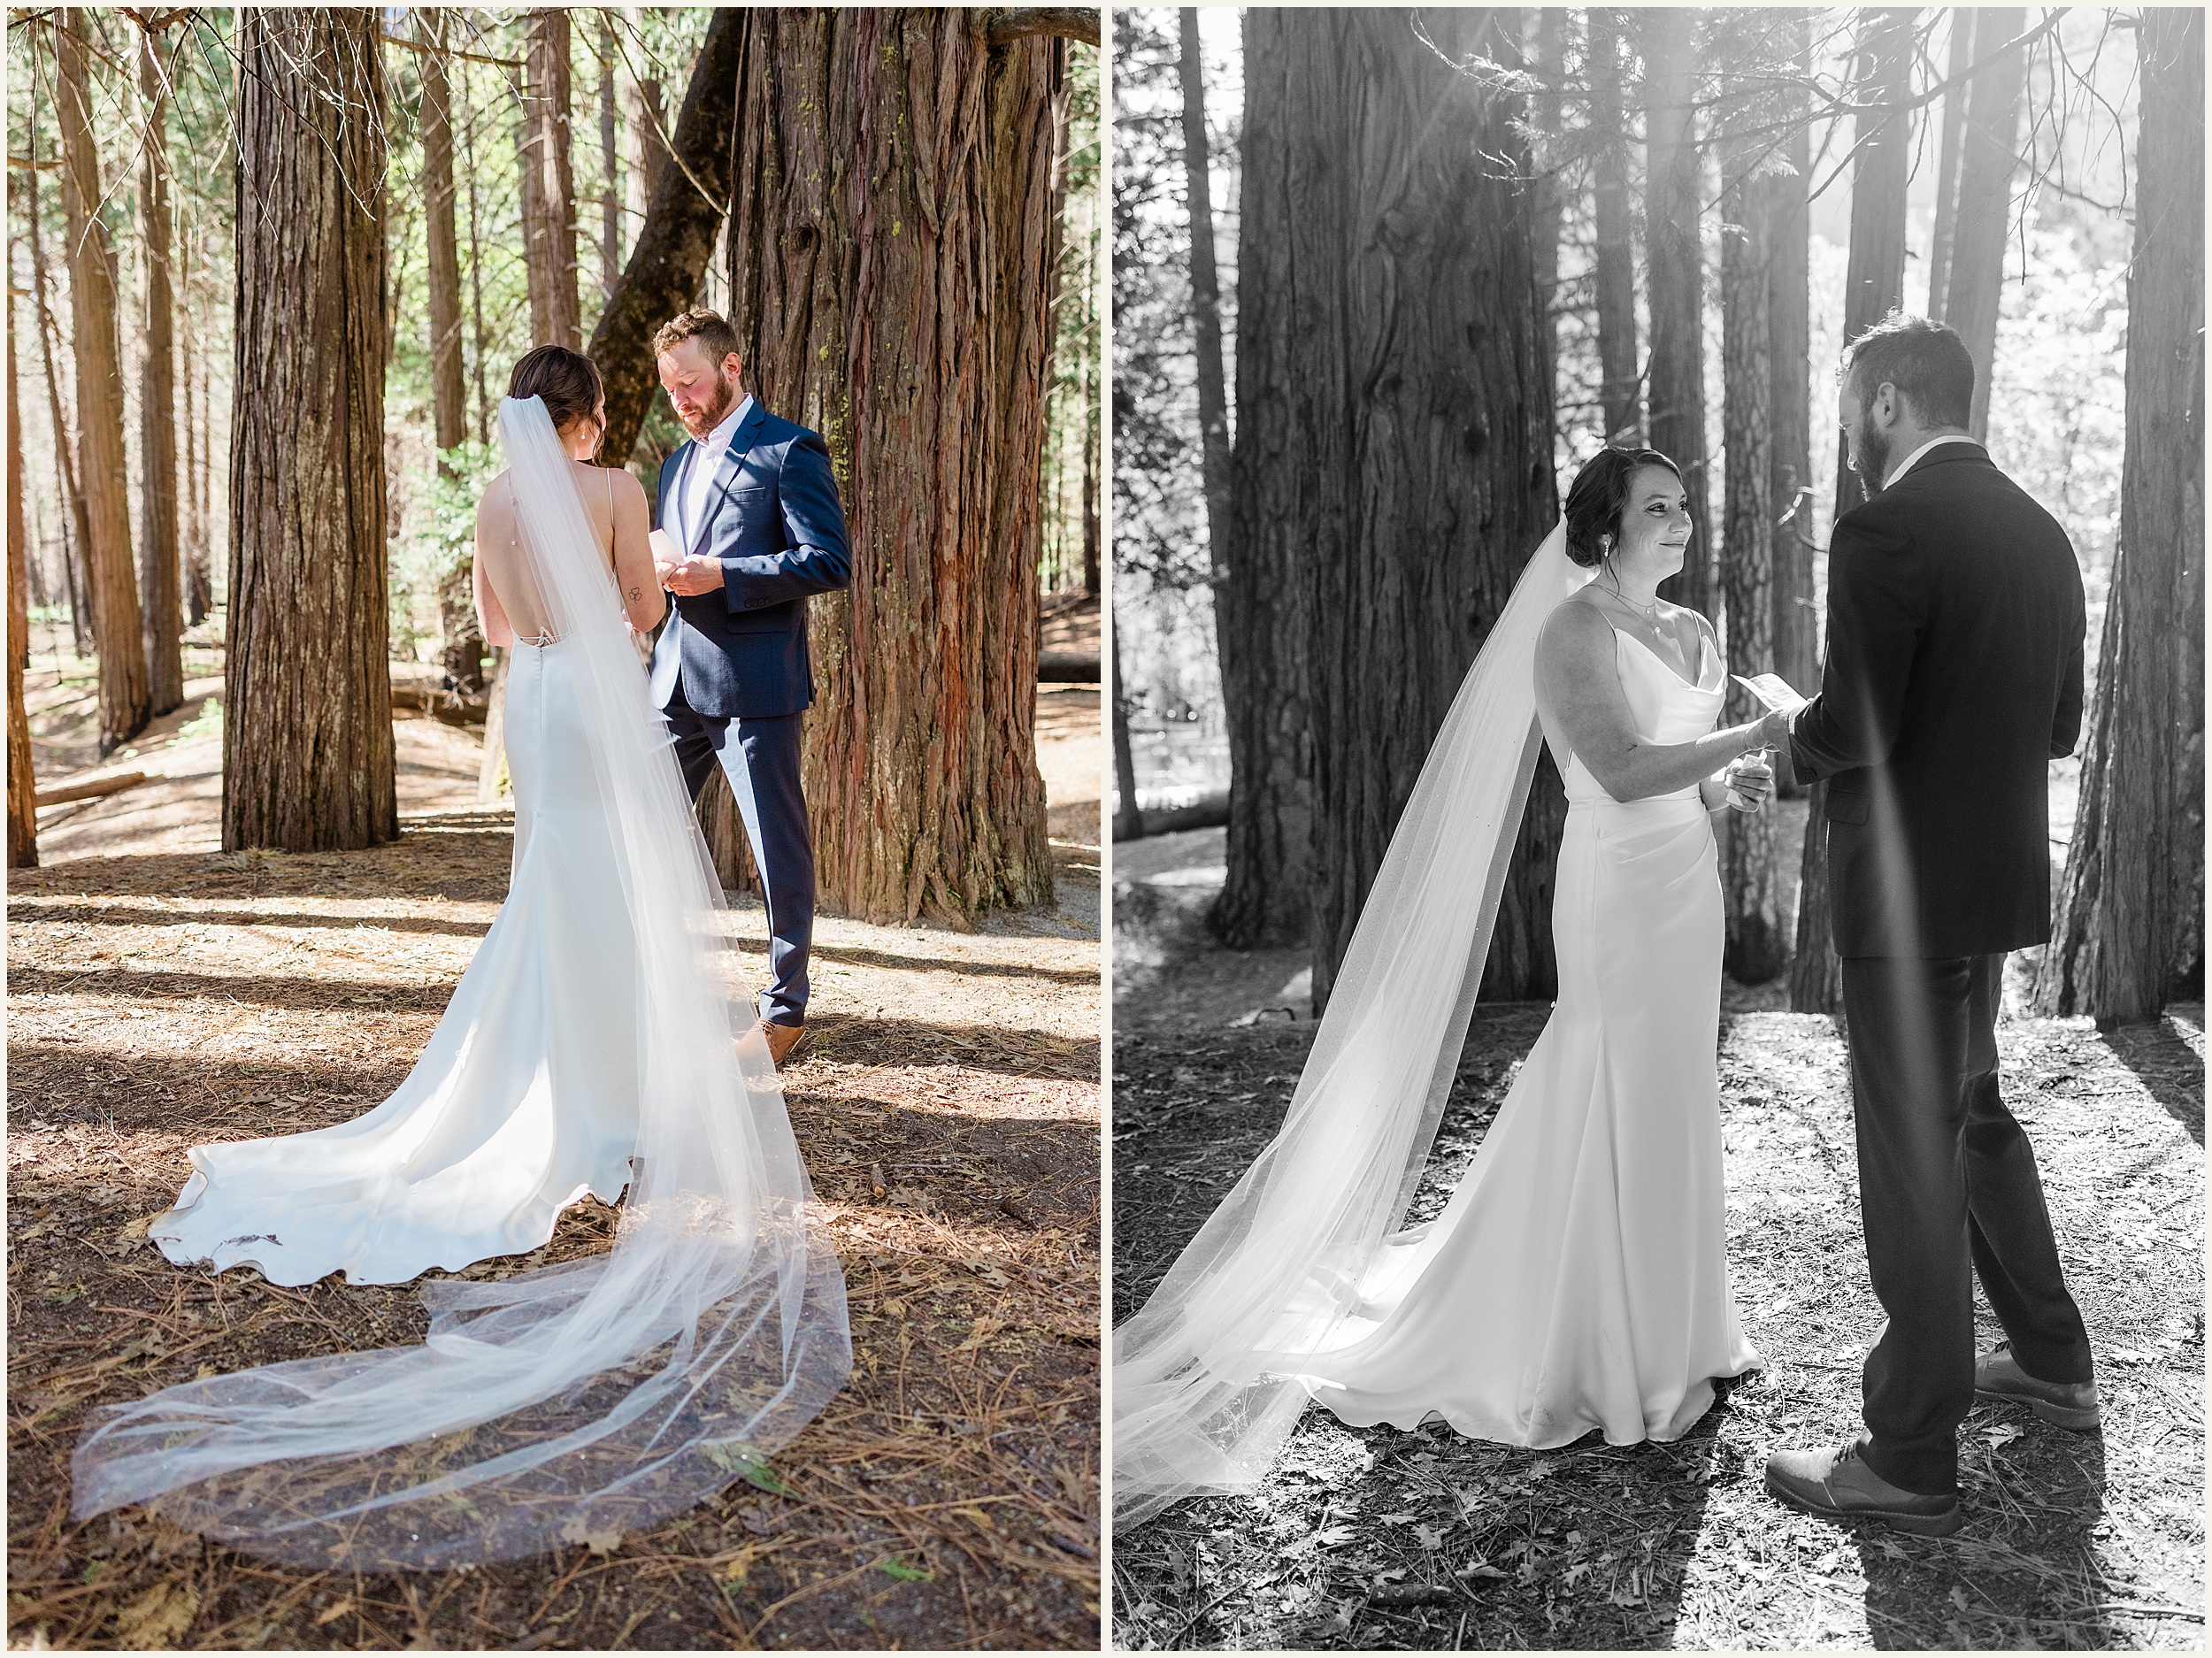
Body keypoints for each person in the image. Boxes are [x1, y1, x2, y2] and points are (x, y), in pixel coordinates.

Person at [72, 347, 851, 1570]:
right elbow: (646, 614)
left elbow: (495, 624)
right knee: (602, 893)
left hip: (533, 701)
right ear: (588, 419)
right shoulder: (611, 494)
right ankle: (604, 1098)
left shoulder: (497, 503)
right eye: (604, 410)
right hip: (599, 695)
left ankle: (549, 1080)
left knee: (550, 884)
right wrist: (630, 594)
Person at [1112, 446, 1787, 1527]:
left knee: (1673, 1089)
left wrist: (1726, 784)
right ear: (1605, 531)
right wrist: (1752, 732)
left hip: (1684, 884)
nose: (1680, 519)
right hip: (1613, 888)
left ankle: (1680, 1327)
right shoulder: (1570, 630)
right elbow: (1612, 771)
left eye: (1683, 503)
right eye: (1655, 506)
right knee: (1609, 1072)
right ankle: (1595, 1339)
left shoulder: (1696, 633)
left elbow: (1681, 777)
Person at [1763, 314, 2093, 1538]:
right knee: (1976, 1116)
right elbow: (2057, 723)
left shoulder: (1884, 525)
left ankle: (1908, 1454)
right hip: (1993, 888)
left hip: (1904, 906)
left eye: (1853, 399)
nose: (1848, 426)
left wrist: (1792, 730)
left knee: (1914, 1158)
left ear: (1889, 399)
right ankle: (2056, 1361)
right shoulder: (2043, 531)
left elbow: (1859, 724)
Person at [648, 311, 852, 1065]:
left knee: (776, 847)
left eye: (691, 383)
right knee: (636, 822)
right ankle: (646, 988)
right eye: (670, 388)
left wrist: (725, 574)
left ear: (732, 368)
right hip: (672, 675)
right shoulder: (673, 466)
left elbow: (828, 559)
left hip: (756, 681)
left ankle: (783, 1011)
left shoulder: (788, 449)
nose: (681, 400)